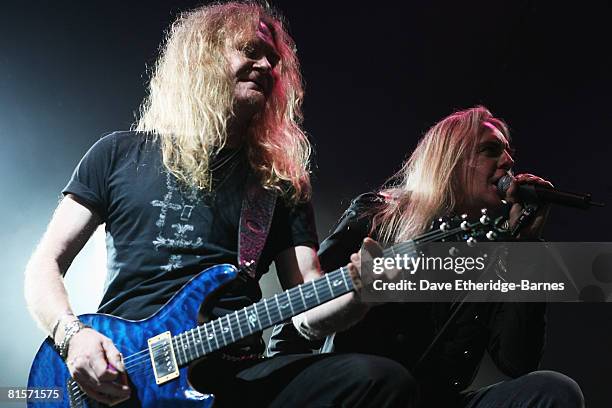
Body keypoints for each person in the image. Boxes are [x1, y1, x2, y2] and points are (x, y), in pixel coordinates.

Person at [24, 2, 412, 407]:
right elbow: (44, 265)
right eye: (251, 50)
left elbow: (307, 310)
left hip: (232, 375)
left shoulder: (277, 183)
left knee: (378, 381)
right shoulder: (117, 154)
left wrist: (359, 295)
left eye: (274, 59)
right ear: (204, 55)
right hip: (125, 371)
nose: (266, 66)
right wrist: (73, 338)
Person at [269, 106, 585, 407]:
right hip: (371, 392)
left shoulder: (495, 251)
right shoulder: (379, 216)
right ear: (451, 160)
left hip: (439, 401)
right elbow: (298, 312)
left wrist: (526, 245)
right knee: (388, 380)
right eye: (490, 150)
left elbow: (518, 361)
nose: (507, 162)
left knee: (553, 390)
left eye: (508, 154)